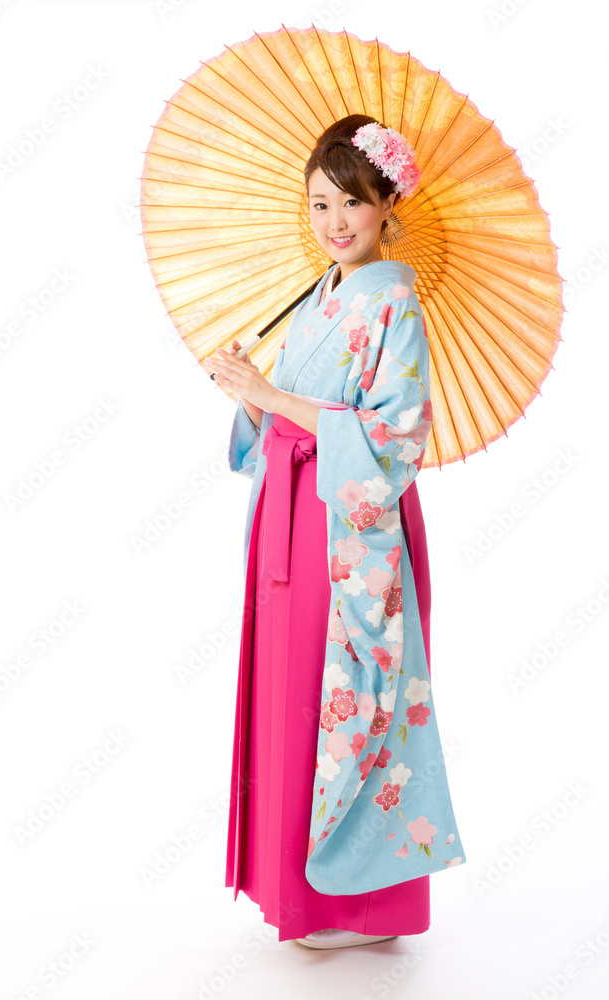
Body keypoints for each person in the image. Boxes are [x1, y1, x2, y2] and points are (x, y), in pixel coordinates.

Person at [211, 114, 466, 950]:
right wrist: (248, 395)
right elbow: (287, 428)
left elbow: (393, 437)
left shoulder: (392, 299)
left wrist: (275, 397)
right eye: (318, 205)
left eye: (350, 203)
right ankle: (301, 895)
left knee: (346, 704)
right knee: (291, 695)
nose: (333, 224)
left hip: (349, 535)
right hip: (292, 515)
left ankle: (358, 906)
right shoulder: (322, 297)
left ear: (385, 203)